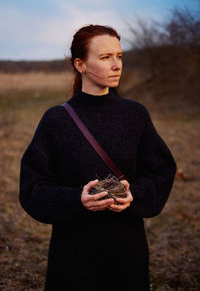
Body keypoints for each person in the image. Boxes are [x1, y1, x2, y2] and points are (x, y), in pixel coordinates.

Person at [19, 24, 177, 291]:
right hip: (73, 254)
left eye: (119, 56)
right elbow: (33, 188)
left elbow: (162, 170)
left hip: (127, 251)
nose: (116, 65)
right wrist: (76, 199)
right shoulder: (56, 120)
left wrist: (133, 194)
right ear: (80, 65)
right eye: (105, 58)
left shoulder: (135, 115)